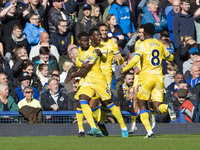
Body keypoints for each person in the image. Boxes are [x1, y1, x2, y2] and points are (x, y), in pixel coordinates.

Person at [120, 23, 176, 138]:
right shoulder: (160, 44)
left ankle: (149, 132)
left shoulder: (142, 45)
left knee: (142, 105)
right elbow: (170, 57)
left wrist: (125, 69)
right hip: (159, 78)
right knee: (157, 106)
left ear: (144, 33)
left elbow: (135, 58)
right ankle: (167, 107)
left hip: (146, 77)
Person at [73, 31, 128, 137]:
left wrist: (71, 75)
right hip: (87, 81)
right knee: (82, 102)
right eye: (97, 34)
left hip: (100, 81)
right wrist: (80, 65)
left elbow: (91, 65)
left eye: (101, 34)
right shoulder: (81, 49)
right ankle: (88, 128)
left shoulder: (95, 51)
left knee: (108, 104)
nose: (100, 36)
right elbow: (79, 62)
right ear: (91, 37)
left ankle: (122, 127)